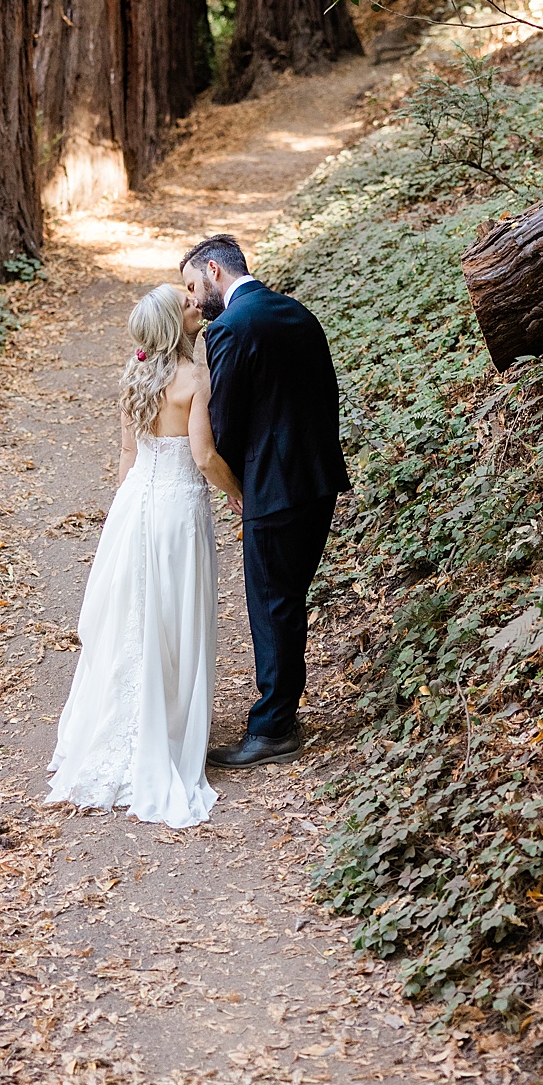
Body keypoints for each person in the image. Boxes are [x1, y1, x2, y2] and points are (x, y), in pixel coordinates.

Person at [47, 284, 237, 828]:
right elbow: (202, 456)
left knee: (135, 620)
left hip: (135, 508)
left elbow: (129, 457)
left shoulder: (133, 376)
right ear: (172, 327)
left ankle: (130, 728)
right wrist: (238, 491)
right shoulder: (195, 379)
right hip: (177, 512)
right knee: (175, 620)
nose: (197, 304)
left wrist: (123, 522)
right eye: (186, 303)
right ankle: (167, 732)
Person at [181, 233, 351, 769]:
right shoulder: (295, 312)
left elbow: (226, 422)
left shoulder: (231, 327)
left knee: (272, 602)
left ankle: (274, 728)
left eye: (192, 285)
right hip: (318, 479)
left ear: (213, 270)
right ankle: (282, 712)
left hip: (273, 488)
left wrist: (236, 481)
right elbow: (327, 394)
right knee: (288, 598)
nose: (193, 298)